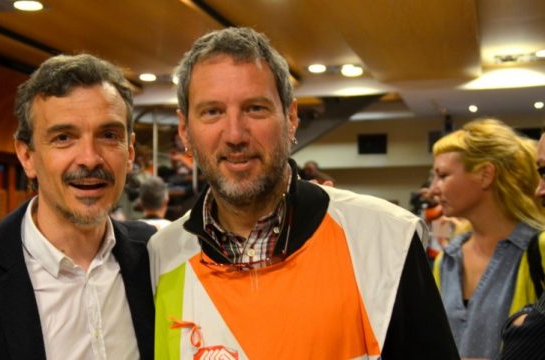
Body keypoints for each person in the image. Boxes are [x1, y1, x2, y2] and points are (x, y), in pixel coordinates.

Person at [149, 27, 458, 359]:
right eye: (212, 112)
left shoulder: (385, 238)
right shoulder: (162, 255)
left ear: (291, 118)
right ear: (185, 130)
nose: (235, 134)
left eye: (255, 108)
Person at [0, 54, 155, 360]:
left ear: (128, 152)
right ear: (26, 156)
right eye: (64, 137)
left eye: (108, 135)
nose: (90, 158)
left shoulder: (154, 257)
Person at [430, 118, 545, 359]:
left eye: (442, 175)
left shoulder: (538, 250)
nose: (433, 190)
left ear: (485, 174)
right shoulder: (447, 260)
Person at [499, 130, 545, 359]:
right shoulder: (451, 255)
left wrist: (524, 324)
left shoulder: (537, 243)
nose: (539, 191)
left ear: (488, 175)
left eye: (444, 175)